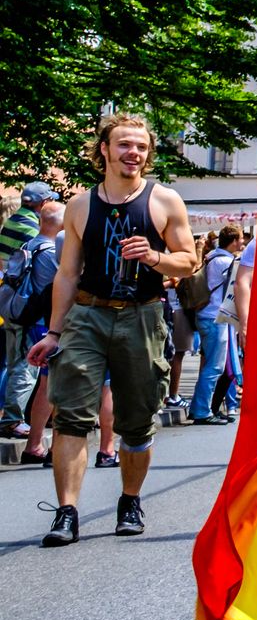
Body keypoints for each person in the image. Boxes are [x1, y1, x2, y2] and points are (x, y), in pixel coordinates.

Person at [28, 116, 200, 545]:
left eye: (141, 147)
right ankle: (66, 513)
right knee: (70, 415)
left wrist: (156, 258)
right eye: (124, 144)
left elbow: (189, 261)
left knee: (138, 420)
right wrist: (53, 332)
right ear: (104, 149)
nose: (134, 153)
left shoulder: (164, 201)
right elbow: (67, 275)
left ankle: (130, 499)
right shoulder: (81, 205)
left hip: (142, 316)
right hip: (88, 315)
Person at [1, 182, 57, 429]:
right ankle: (13, 419)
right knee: (24, 364)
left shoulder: (12, 221)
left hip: (11, 301)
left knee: (13, 362)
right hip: (28, 308)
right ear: (43, 203)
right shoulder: (33, 231)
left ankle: (12, 415)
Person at [188, 225, 243, 424]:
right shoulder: (226, 262)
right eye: (240, 239)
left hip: (206, 315)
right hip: (215, 318)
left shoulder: (212, 258)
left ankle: (198, 407)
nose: (242, 242)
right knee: (214, 367)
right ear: (234, 241)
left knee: (211, 366)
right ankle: (203, 411)